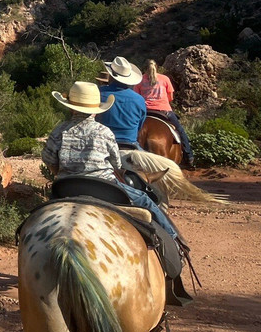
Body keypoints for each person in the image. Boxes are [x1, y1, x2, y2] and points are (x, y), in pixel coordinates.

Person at [43, 80, 183, 242]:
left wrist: (63, 172)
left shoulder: (58, 131)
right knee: (145, 200)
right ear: (96, 110)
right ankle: (175, 240)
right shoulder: (104, 132)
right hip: (103, 187)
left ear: (71, 108)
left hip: (66, 186)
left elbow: (49, 160)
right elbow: (116, 163)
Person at [137, 59, 195, 169]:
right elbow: (170, 97)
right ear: (157, 67)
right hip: (164, 111)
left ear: (144, 68)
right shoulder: (165, 79)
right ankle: (189, 157)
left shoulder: (140, 80)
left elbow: (137, 97)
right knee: (180, 130)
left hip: (145, 112)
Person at [95, 56, 147, 148]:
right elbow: (140, 126)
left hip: (102, 142)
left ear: (110, 75)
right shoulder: (139, 99)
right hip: (129, 144)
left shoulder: (98, 93)